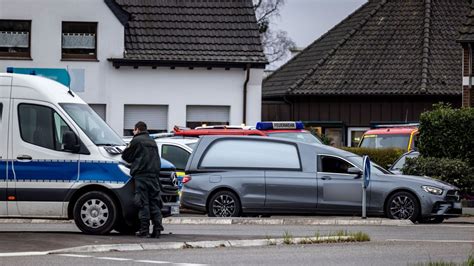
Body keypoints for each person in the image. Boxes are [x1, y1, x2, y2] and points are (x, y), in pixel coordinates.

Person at [122, 121, 164, 238]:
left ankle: (144, 230)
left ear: (137, 129)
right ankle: (157, 229)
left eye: (134, 130)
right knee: (155, 203)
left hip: (141, 176)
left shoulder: (136, 140)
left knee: (142, 203)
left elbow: (126, 156)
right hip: (154, 176)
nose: (133, 132)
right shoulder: (152, 141)